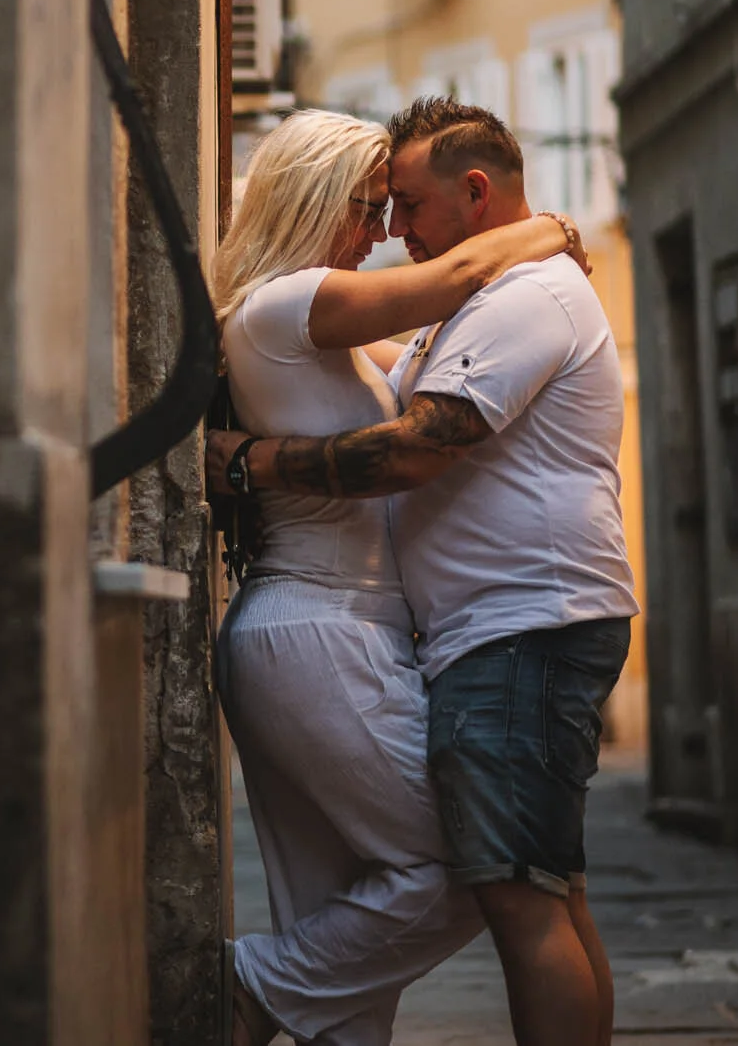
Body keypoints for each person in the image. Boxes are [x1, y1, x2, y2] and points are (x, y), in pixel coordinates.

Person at [209, 97, 637, 1046]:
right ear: (315, 199)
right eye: (370, 202)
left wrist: (254, 459)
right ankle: (243, 988)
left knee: (471, 892)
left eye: (396, 201)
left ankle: (255, 992)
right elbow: (454, 277)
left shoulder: (362, 318)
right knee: (472, 875)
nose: (387, 228)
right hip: (322, 626)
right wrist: (550, 230)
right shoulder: (293, 303)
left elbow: (420, 385)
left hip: (353, 629)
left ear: (472, 190)